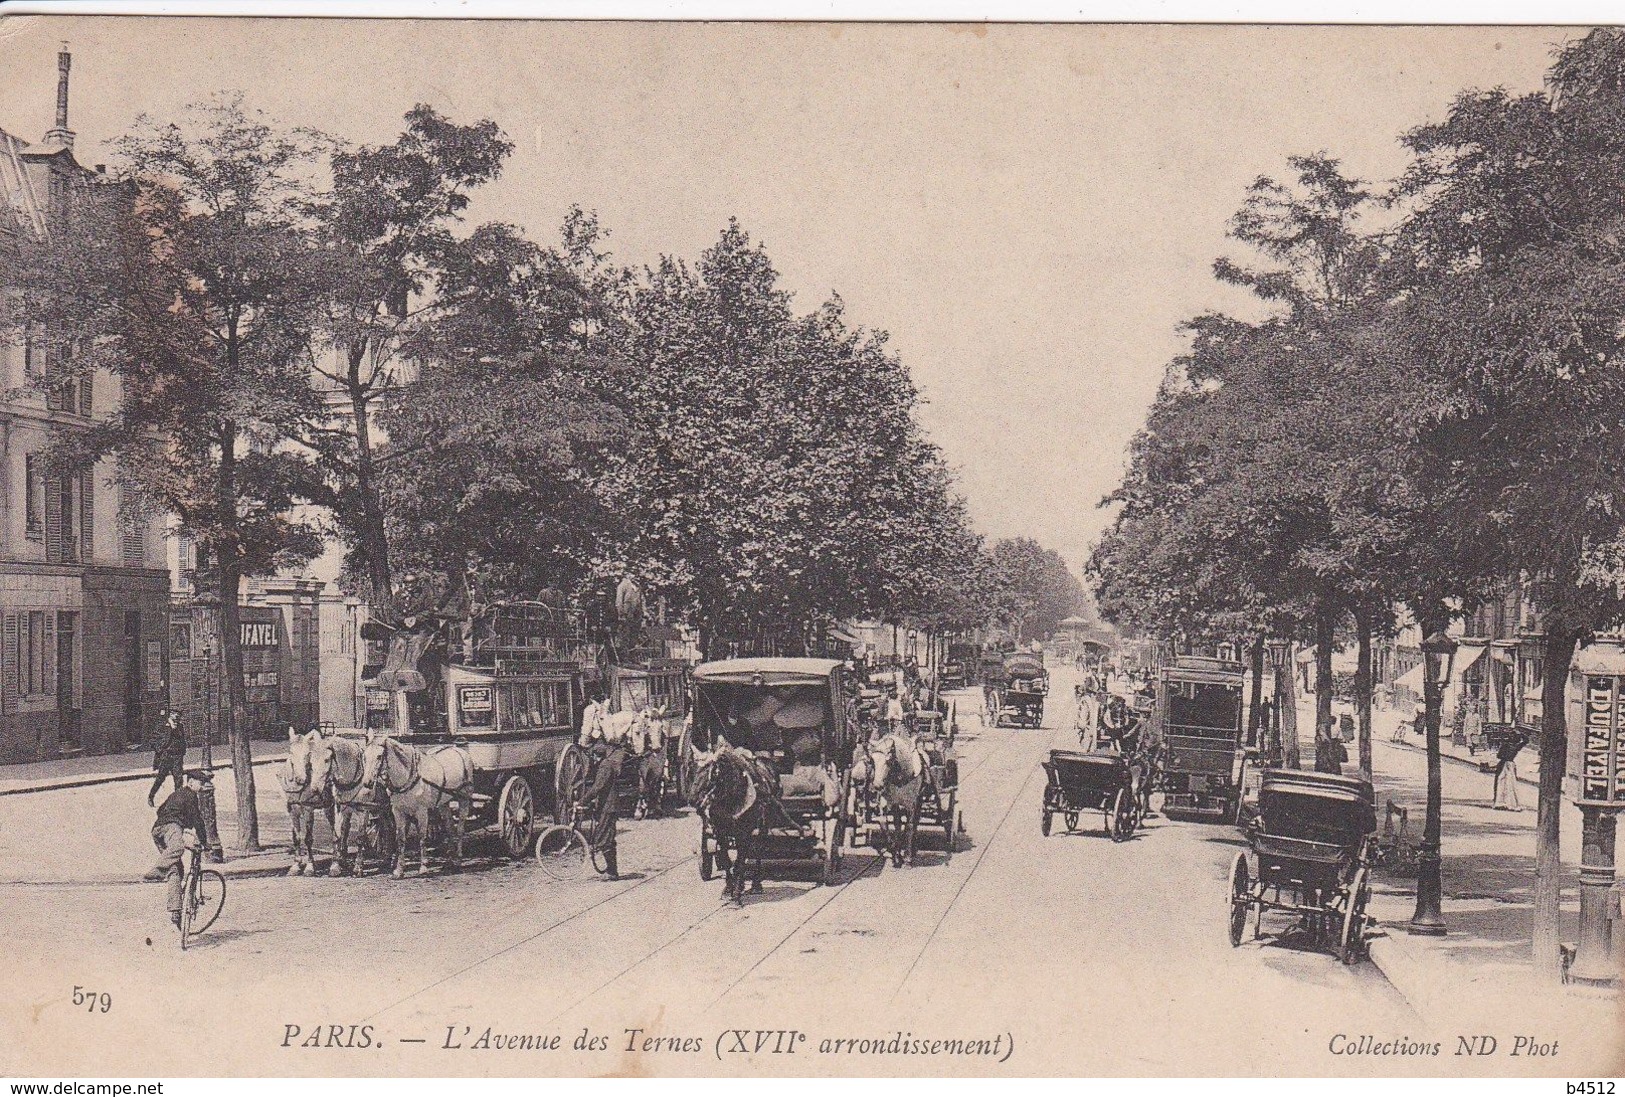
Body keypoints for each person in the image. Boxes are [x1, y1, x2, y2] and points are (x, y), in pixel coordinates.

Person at [143, 770, 208, 930]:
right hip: (171, 827)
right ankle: (157, 870)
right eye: (200, 783)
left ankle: (175, 910)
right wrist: (205, 842)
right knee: (178, 848)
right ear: (191, 782)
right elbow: (197, 819)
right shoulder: (190, 795)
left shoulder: (176, 794)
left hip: (157, 830)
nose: (201, 787)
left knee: (176, 870)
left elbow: (160, 811)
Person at [147, 709, 187, 807]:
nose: (176, 717)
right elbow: (153, 740)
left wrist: (182, 751)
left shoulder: (180, 727)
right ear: (170, 715)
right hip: (166, 756)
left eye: (178, 715)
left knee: (178, 779)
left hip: (177, 756)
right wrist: (160, 750)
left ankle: (178, 801)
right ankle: (151, 796)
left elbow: (182, 740)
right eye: (174, 714)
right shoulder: (162, 726)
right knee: (160, 778)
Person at [1492, 727, 1529, 811]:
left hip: (1502, 764)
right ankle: (1511, 803)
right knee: (1510, 784)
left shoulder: (1505, 744)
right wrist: (1521, 733)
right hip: (1511, 765)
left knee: (1500, 783)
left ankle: (1499, 802)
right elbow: (1526, 740)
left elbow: (1498, 755)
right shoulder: (1517, 746)